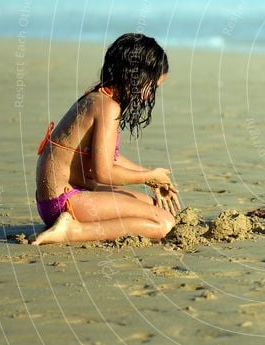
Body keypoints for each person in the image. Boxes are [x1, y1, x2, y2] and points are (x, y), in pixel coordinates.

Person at [30, 33, 180, 245]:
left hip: (57, 198)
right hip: (65, 201)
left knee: (153, 205)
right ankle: (72, 231)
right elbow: (104, 172)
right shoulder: (108, 107)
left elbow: (110, 158)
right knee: (164, 223)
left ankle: (70, 224)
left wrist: (153, 177)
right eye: (152, 87)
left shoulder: (97, 97)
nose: (149, 97)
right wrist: (148, 177)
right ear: (135, 76)